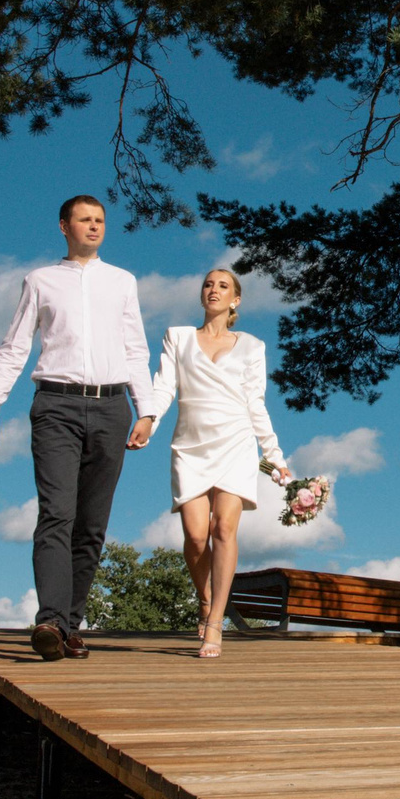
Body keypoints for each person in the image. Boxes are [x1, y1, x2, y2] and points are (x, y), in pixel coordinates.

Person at [0, 195, 156, 662]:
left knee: (92, 526)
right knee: (57, 513)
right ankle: (51, 620)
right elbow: (15, 346)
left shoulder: (122, 282)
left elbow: (135, 349)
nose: (94, 227)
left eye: (100, 220)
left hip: (112, 407)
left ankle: (69, 627)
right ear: (64, 226)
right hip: (56, 405)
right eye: (84, 220)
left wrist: (147, 410)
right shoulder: (40, 281)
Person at [136, 267, 290, 658]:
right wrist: (149, 421)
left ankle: (216, 621)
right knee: (194, 535)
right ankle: (204, 599)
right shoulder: (177, 337)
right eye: (208, 284)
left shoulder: (252, 346)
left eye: (223, 286)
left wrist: (274, 456)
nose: (214, 290)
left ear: (235, 300)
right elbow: (164, 386)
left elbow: (255, 403)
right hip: (190, 445)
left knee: (223, 527)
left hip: (236, 442)